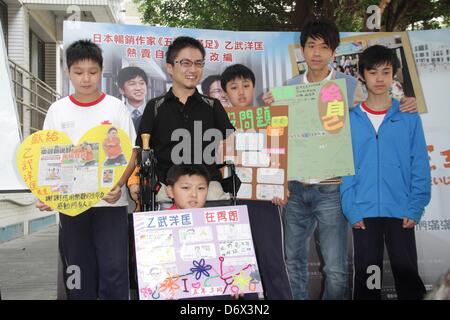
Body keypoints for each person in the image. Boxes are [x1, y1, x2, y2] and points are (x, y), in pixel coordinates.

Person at [267, 18, 419, 300]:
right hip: (296, 188)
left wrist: (407, 102)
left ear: (333, 53)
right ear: (301, 50)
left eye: (324, 47)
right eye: (310, 46)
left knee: (336, 269)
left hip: (333, 188)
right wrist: (271, 109)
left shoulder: (349, 86)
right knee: (293, 263)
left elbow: (376, 109)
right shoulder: (287, 88)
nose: (316, 53)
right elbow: (279, 137)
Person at [36, 39, 137, 300]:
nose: (86, 79)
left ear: (101, 71)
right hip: (72, 205)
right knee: (78, 269)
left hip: (110, 205)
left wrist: (119, 184)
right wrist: (46, 193)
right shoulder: (57, 111)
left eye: (92, 72)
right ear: (68, 72)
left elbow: (131, 153)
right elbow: (49, 156)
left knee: (114, 267)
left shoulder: (115, 107)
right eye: (78, 72)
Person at [340, 44, 431, 300]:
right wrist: (351, 208)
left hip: (401, 209)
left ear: (394, 74)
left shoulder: (408, 116)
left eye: (386, 71)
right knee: (369, 280)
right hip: (363, 210)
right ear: (362, 75)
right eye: (372, 72)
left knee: (407, 275)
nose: (379, 78)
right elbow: (344, 166)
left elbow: (419, 163)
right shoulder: (350, 119)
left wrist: (415, 206)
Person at [128, 36, 235, 207]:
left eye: (199, 63)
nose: (193, 69)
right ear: (170, 67)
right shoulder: (155, 107)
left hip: (208, 187)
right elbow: (142, 151)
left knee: (218, 198)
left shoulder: (212, 106)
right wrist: (134, 182)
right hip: (165, 189)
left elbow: (232, 145)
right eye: (186, 63)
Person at [219, 63, 293, 300]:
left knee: (272, 262)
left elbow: (278, 156)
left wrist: (281, 187)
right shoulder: (217, 122)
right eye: (234, 87)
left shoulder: (270, 118)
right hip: (230, 202)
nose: (241, 92)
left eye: (246, 85)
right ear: (225, 93)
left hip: (264, 201)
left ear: (254, 88)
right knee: (240, 267)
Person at [117, 66, 148, 131]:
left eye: (142, 83)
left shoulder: (157, 112)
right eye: (132, 84)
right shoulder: (117, 113)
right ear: (121, 90)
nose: (138, 88)